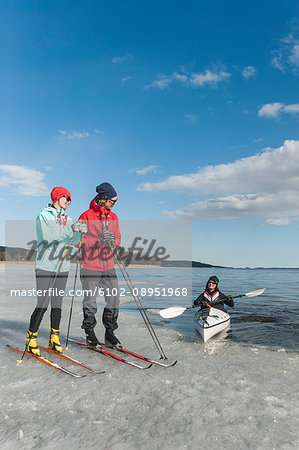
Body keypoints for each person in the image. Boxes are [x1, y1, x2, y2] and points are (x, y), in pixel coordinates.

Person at [25, 187, 87, 356]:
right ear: (57, 198)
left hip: (63, 266)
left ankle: (54, 338)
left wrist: (80, 233)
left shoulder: (68, 219)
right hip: (45, 265)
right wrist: (70, 229)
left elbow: (71, 241)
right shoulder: (43, 215)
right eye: (66, 198)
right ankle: (31, 339)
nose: (68, 202)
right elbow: (48, 238)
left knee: (57, 304)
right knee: (43, 303)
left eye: (70, 199)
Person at [79, 182, 122, 348]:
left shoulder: (114, 217)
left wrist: (112, 240)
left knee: (114, 300)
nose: (114, 204)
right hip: (90, 266)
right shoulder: (86, 216)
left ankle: (110, 334)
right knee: (90, 302)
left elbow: (118, 238)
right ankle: (90, 333)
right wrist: (98, 240)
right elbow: (77, 241)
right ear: (103, 198)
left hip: (108, 266)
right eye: (113, 200)